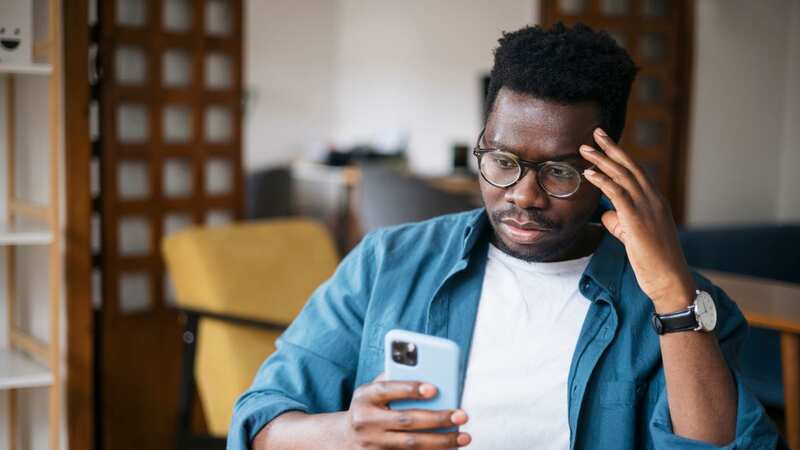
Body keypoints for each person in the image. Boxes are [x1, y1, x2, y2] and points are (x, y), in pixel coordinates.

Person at [228, 23, 780, 449]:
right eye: (502, 160)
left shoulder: (684, 311)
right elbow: (260, 420)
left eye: (559, 171)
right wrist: (348, 432)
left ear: (608, 171)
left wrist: (673, 299)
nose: (523, 195)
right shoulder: (387, 264)